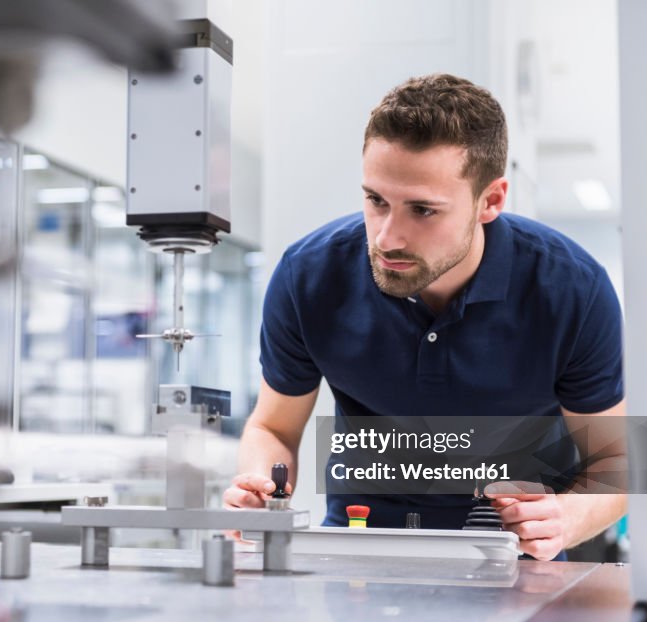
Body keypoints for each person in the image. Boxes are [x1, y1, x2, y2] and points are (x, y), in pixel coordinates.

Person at [222, 73, 626, 561]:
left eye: (423, 210)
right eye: (376, 201)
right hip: (360, 553)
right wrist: (265, 492)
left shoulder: (572, 290)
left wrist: (567, 518)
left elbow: (617, 458)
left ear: (491, 201)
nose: (387, 238)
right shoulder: (307, 276)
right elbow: (273, 429)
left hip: (514, 562)